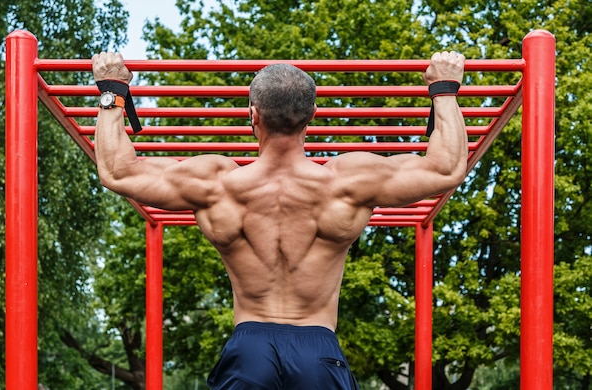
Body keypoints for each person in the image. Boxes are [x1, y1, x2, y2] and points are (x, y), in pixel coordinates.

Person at [92, 51, 467, 389]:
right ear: (312, 115)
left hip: (249, 350)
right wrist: (444, 89)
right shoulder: (348, 182)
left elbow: (118, 172)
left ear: (252, 114)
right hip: (317, 349)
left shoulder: (215, 184)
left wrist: (112, 91)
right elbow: (445, 167)